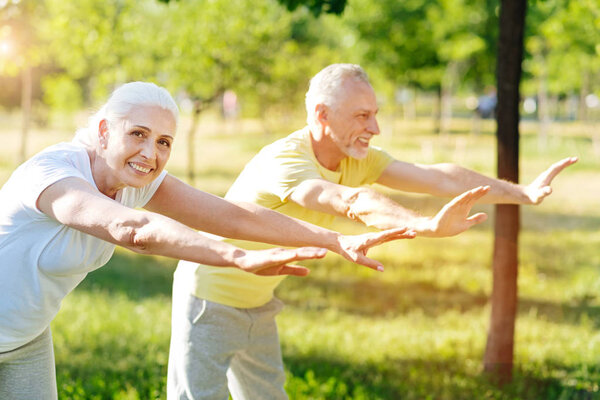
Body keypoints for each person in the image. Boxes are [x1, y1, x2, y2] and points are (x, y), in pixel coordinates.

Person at [168, 64, 577, 400]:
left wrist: (520, 192)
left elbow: (435, 177)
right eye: (362, 116)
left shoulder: (355, 155)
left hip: (259, 302)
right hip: (209, 300)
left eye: (375, 113)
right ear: (322, 116)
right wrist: (425, 226)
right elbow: (346, 200)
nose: (375, 127)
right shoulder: (286, 160)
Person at [0, 81, 423, 400]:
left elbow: (229, 213)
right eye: (138, 134)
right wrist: (236, 258)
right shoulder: (52, 174)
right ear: (105, 130)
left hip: (25, 338)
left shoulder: (137, 180)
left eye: (163, 142)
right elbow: (132, 231)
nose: (150, 153)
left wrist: (334, 239)